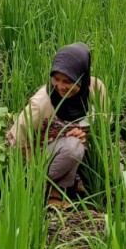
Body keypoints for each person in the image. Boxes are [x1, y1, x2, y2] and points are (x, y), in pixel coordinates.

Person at [7, 43, 107, 204]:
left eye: (68, 81)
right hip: (39, 157)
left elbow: (103, 125)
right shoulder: (40, 105)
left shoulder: (96, 90)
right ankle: (52, 189)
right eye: (56, 79)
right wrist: (37, 174)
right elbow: (18, 143)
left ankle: (73, 182)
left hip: (73, 153)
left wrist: (86, 134)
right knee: (74, 147)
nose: (60, 87)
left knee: (117, 172)